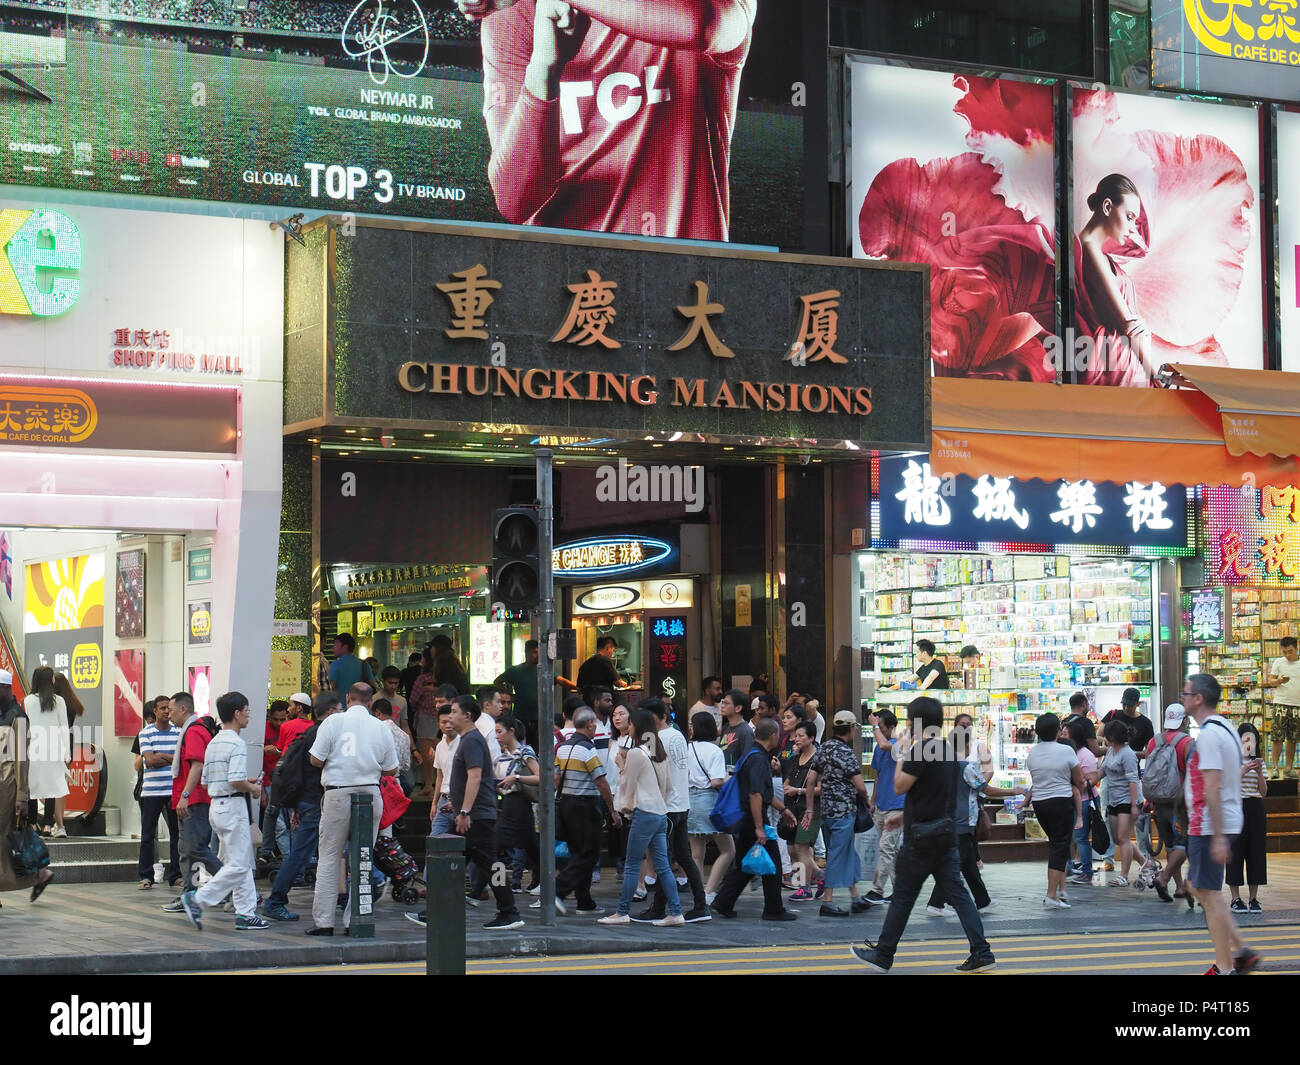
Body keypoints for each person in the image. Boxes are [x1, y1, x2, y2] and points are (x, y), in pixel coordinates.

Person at [466, 0, 755, 242]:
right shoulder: (513, 16)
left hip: (680, 283)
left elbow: (702, 26)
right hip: (568, 284)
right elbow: (515, 201)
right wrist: (543, 69)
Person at [851, 696, 996, 974]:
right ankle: (982, 951)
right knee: (961, 896)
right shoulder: (947, 751)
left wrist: (902, 750)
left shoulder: (920, 751)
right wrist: (904, 815)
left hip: (921, 840)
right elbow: (938, 795)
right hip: (945, 834)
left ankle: (883, 955)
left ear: (914, 721)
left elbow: (898, 786)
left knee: (904, 897)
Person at [305, 682, 398, 935]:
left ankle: (324, 921)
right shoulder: (381, 727)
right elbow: (391, 769)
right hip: (370, 794)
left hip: (337, 793)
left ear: (348, 699)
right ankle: (355, 920)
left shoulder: (333, 723)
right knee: (363, 857)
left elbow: (315, 759)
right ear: (370, 702)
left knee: (329, 857)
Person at [1181, 673, 1258, 975]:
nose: (1183, 698)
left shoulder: (1211, 735)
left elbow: (1211, 787)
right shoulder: (1225, 727)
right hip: (1217, 821)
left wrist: (1217, 838)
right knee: (1197, 887)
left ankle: (1226, 968)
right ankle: (1241, 950)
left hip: (1208, 823)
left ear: (1198, 698)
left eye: (1185, 693)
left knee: (1208, 895)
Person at [179, 692, 269, 931]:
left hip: (217, 807)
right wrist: (253, 788)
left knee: (240, 860)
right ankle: (198, 899)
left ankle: (245, 913)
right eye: (247, 710)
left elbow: (208, 782)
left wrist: (243, 783)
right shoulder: (237, 743)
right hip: (233, 807)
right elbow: (237, 780)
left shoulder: (214, 742)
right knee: (239, 865)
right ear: (237, 713)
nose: (249, 715)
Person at [926, 713, 1023, 915]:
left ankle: (983, 901)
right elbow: (986, 789)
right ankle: (936, 903)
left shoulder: (941, 765)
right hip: (963, 820)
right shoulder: (965, 767)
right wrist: (1013, 791)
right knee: (958, 864)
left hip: (948, 817)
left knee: (968, 864)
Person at [441, 695, 524, 930]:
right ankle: (438, 911)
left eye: (454, 711)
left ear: (467, 716)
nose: (450, 716)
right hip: (470, 814)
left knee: (490, 865)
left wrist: (465, 811)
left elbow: (475, 776)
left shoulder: (472, 740)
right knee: (450, 860)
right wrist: (457, 805)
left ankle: (510, 911)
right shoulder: (468, 739)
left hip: (475, 817)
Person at [599, 708, 684, 927]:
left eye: (631, 723)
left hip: (644, 813)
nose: (628, 725)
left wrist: (620, 767)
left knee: (632, 865)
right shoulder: (658, 751)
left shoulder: (636, 753)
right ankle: (675, 912)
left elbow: (626, 782)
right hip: (660, 813)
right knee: (663, 866)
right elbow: (667, 786)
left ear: (637, 726)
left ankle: (622, 912)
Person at [709, 719, 798, 922]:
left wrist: (783, 809)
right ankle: (773, 909)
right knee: (772, 863)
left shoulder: (752, 755)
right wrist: (760, 828)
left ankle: (724, 902)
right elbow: (755, 795)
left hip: (747, 818)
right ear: (774, 736)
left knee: (745, 865)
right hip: (754, 820)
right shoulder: (758, 760)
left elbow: (764, 793)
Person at [264, 693, 341, 922]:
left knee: (330, 849)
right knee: (300, 854)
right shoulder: (322, 732)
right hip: (315, 801)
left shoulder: (310, 732)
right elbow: (316, 767)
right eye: (338, 710)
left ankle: (344, 896)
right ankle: (275, 900)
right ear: (329, 712)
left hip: (307, 800)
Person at [632, 698, 710, 923]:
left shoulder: (651, 739)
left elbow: (651, 772)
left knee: (663, 860)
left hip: (665, 806)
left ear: (655, 716)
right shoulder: (677, 734)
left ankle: (659, 909)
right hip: (681, 803)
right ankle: (700, 905)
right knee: (682, 857)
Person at [1073, 172, 1154, 386]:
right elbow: (1128, 325)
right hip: (1120, 368)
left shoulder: (1093, 252)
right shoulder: (1089, 250)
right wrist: (1160, 376)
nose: (1132, 229)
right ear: (1107, 207)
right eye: (1129, 217)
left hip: (1122, 363)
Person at [554, 708, 621, 912]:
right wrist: (612, 810)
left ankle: (585, 901)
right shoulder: (588, 750)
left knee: (578, 852)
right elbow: (601, 781)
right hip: (584, 806)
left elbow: (556, 777)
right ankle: (558, 890)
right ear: (590, 724)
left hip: (566, 803)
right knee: (589, 854)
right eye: (594, 725)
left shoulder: (563, 747)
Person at [802, 710, 868, 917]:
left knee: (846, 852)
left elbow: (811, 780)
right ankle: (828, 900)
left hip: (827, 812)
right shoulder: (846, 753)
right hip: (844, 812)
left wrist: (811, 808)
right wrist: (867, 800)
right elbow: (860, 785)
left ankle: (855, 897)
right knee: (838, 855)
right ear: (851, 729)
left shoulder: (824, 749)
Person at [0, 669, 54, 904]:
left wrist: (22, 796)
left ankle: (40, 874)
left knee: (3, 838)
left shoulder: (17, 717)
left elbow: (22, 759)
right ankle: (41, 874)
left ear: (4, 688)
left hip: (8, 787)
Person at [165, 692, 222, 913]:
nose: (168, 715)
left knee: (196, 849)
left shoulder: (195, 730)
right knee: (187, 850)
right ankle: (190, 895)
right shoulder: (190, 730)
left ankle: (236, 889)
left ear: (183, 710)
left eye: (170, 710)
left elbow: (197, 765)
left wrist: (185, 797)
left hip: (195, 800)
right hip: (189, 799)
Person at [1025, 713, 1085, 908]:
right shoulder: (1066, 751)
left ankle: (1059, 891)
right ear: (1058, 731)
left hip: (1040, 803)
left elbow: (1035, 779)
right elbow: (1078, 780)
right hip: (1061, 801)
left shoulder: (1032, 753)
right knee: (1060, 846)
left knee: (1056, 846)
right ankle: (1052, 894)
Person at [1141, 704, 1193, 904]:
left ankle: (1179, 887)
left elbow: (1149, 773)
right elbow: (1192, 774)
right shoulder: (1187, 742)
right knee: (1184, 844)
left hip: (1159, 803)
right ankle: (1166, 879)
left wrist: (1149, 800)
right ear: (1184, 721)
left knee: (1171, 846)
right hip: (1180, 804)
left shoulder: (1154, 741)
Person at [856, 708, 903, 908]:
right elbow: (878, 777)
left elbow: (884, 744)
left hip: (898, 806)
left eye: (881, 727)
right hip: (882, 805)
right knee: (888, 850)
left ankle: (877, 890)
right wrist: (873, 801)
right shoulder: (878, 748)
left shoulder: (900, 744)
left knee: (886, 848)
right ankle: (899, 890)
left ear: (891, 727)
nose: (878, 731)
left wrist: (873, 725)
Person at [136, 696, 181, 890]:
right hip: (151, 791)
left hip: (173, 790)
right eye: (162, 708)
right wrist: (169, 758)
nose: (166, 712)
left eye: (168, 708)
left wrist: (159, 755)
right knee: (147, 835)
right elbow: (149, 761)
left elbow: (181, 760)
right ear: (154, 710)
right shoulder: (145, 733)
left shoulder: (179, 733)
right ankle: (146, 876)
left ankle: (176, 875)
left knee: (176, 834)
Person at [686, 711, 731, 904]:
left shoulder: (687, 749)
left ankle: (698, 892)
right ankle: (709, 891)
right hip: (709, 801)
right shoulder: (715, 751)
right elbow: (716, 782)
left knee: (696, 853)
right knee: (728, 850)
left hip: (689, 801)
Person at [494, 714, 540, 895]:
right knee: (529, 848)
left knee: (499, 847)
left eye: (499, 732)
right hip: (508, 805)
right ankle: (499, 888)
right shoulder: (502, 757)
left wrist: (517, 778)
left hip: (520, 805)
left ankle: (499, 889)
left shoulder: (525, 752)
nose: (497, 736)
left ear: (511, 731)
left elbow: (540, 776)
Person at [24, 667, 70, 837]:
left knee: (32, 786)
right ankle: (48, 825)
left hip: (33, 749)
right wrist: (67, 754)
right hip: (54, 749)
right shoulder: (58, 701)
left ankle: (32, 822)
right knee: (52, 787)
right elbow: (64, 728)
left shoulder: (28, 701)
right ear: (50, 680)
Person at [1228, 721, 1268, 914]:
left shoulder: (1259, 761)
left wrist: (1259, 773)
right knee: (1235, 852)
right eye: (1246, 739)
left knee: (1256, 852)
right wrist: (1243, 770)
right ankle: (1235, 898)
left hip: (1256, 808)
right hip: (1236, 806)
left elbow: (1264, 792)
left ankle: (1253, 898)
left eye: (1253, 740)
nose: (1249, 743)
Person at [781, 721, 819, 902]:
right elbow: (787, 779)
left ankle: (805, 888)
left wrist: (798, 791)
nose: (796, 739)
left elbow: (821, 788)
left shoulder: (818, 760)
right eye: (796, 736)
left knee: (802, 847)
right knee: (792, 848)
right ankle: (820, 877)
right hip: (793, 808)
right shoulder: (797, 757)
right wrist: (788, 787)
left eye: (801, 736)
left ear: (811, 738)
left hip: (810, 809)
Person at [1101, 718, 1140, 887]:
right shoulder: (1110, 751)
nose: (1104, 738)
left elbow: (1133, 780)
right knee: (1118, 838)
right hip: (1114, 799)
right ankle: (1147, 863)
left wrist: (1133, 805)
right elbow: (1102, 771)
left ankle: (1124, 875)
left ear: (1113, 737)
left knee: (1123, 837)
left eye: (1107, 736)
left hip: (1126, 799)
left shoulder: (1128, 754)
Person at [1064, 716, 1101, 887]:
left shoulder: (1085, 755)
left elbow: (1089, 781)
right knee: (1075, 836)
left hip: (1085, 801)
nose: (1061, 736)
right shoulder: (1068, 752)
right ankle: (1071, 867)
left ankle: (1087, 871)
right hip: (1071, 800)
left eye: (1065, 733)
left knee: (1081, 837)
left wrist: (1074, 784)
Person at [256, 700, 292, 871]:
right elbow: (258, 764)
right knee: (279, 825)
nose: (279, 723)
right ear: (270, 716)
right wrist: (262, 789)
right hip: (269, 783)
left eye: (282, 719)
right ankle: (288, 860)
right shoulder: (262, 730)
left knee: (288, 823)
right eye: (275, 719)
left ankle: (269, 854)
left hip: (288, 784)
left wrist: (277, 751)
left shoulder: (290, 729)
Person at [1263, 635, 1300, 778]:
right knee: (1277, 737)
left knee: (1292, 738)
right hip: (1280, 703)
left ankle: (1289, 768)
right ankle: (1275, 767)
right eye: (1284, 651)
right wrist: (1279, 680)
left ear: (1297, 648)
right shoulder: (1279, 662)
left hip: (1297, 705)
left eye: (1290, 651)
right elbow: (1271, 681)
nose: (1287, 654)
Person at [495, 639, 540, 746]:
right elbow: (497, 681)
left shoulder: (543, 670)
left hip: (538, 716)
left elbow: (560, 679)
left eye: (539, 652)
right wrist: (509, 695)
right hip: (520, 715)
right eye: (534, 652)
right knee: (520, 741)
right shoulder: (516, 670)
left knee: (536, 744)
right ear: (527, 653)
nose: (537, 655)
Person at [373, 698, 413, 795]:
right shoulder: (404, 735)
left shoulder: (374, 731)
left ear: (377, 713)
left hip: (376, 784)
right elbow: (406, 766)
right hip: (396, 785)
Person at [1101, 687, 1154, 760]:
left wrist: (1131, 754)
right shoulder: (1112, 714)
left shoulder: (1146, 723)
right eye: (1124, 704)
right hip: (1109, 765)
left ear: (1138, 704)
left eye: (1130, 705)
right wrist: (1107, 741)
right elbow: (1097, 736)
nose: (1126, 708)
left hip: (1131, 764)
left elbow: (1150, 751)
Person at [718, 687, 754, 772]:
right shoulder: (725, 727)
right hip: (724, 778)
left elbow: (747, 761)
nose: (722, 706)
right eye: (722, 702)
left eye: (726, 703)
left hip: (736, 780)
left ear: (738, 708)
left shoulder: (746, 731)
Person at [377, 666, 413, 744]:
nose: (393, 686)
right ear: (383, 681)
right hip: (378, 740)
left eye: (396, 683)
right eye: (390, 683)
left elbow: (405, 725)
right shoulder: (374, 699)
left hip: (396, 741)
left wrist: (412, 748)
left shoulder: (402, 701)